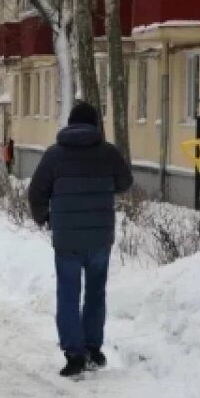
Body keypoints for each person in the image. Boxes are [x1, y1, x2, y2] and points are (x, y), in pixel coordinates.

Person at [27, 102, 133, 378]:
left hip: (67, 239)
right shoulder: (108, 153)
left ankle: (74, 354)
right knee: (96, 293)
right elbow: (125, 182)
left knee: (68, 293)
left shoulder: (54, 155)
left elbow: (36, 192)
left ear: (70, 123)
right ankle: (93, 349)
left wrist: (44, 217)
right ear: (96, 124)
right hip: (99, 237)